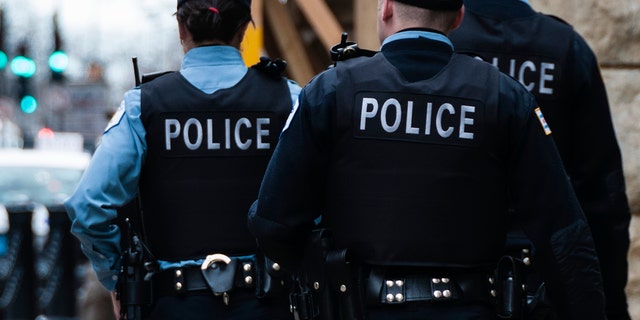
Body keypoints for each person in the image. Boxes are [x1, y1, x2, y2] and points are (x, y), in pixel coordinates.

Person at [248, 0, 607, 319]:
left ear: (386, 8)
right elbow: (565, 238)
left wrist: (323, 272)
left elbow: (272, 223)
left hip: (360, 306)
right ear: (458, 17)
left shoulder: (330, 90)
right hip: (472, 307)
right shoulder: (505, 96)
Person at [65, 0, 301, 318]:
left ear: (181, 27)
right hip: (268, 304)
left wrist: (119, 277)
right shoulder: (289, 99)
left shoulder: (143, 105)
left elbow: (87, 206)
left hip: (170, 305)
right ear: (245, 28)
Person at [449, 1, 632, 319]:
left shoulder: (443, 40)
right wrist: (611, 304)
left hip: (453, 282)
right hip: (542, 282)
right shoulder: (565, 48)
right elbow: (603, 197)